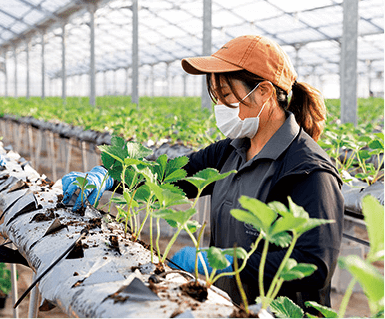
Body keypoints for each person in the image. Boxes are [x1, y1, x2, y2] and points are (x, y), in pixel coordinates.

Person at [62, 35, 344, 312]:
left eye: (228, 96)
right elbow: (170, 176)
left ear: (264, 92)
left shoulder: (308, 169)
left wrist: (227, 262)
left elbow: (315, 264)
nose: (221, 107)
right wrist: (113, 176)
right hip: (226, 308)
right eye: (217, 97)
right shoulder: (230, 151)